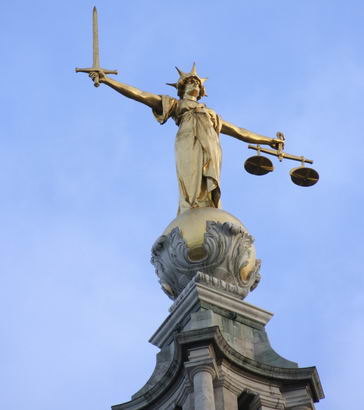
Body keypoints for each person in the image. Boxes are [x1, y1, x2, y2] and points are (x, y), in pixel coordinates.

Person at [89, 64, 283, 214]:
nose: (195, 85)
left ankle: (207, 206)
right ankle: (191, 208)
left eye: (198, 83)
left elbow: (239, 131)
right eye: (191, 82)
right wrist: (108, 81)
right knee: (190, 177)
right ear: (182, 88)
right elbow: (140, 95)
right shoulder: (175, 104)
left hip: (211, 146)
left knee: (208, 180)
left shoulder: (211, 114)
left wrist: (269, 141)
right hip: (188, 141)